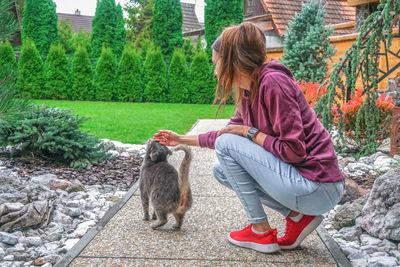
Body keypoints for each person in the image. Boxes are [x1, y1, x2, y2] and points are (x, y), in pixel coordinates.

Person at [153, 22, 345, 253]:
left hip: (318, 186)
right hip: (304, 186)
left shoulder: (274, 84)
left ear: (233, 61)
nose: (215, 72)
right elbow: (225, 135)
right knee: (221, 170)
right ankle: (297, 217)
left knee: (228, 145)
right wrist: (181, 139)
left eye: (217, 64)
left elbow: (295, 151)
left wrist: (250, 132)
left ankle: (260, 231)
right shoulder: (249, 90)